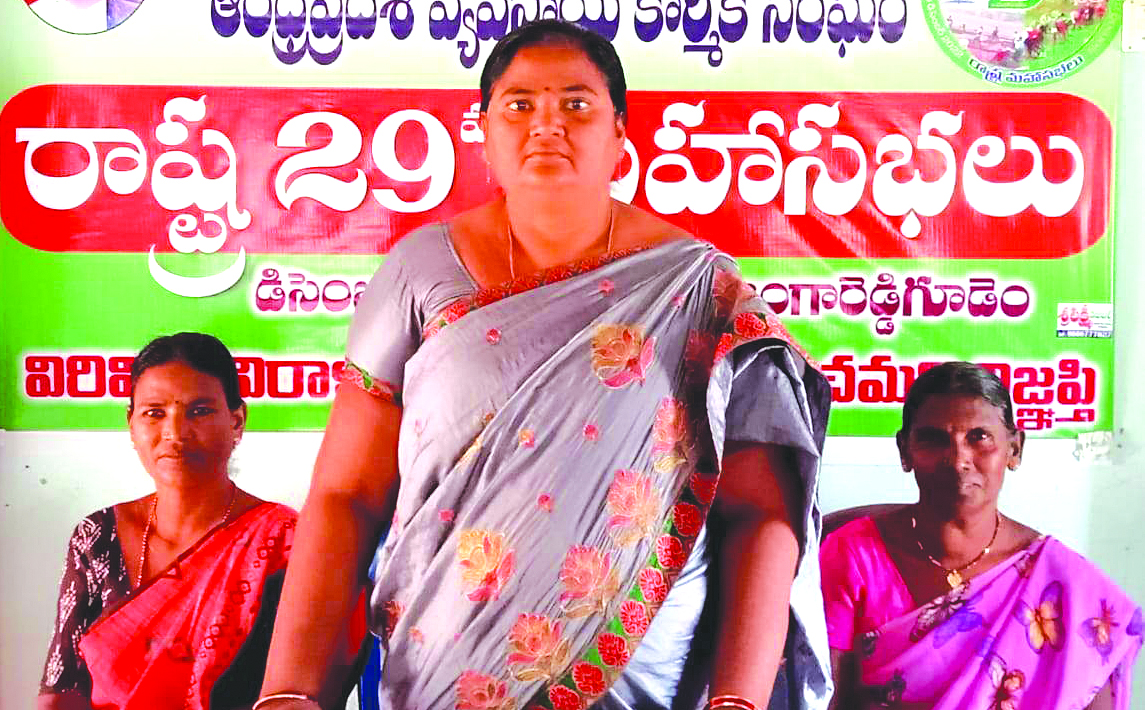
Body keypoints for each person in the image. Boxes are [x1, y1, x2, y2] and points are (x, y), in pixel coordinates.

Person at [257, 19, 832, 710]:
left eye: (576, 104)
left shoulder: (702, 290)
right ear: (484, 132)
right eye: (520, 104)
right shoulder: (419, 270)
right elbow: (345, 496)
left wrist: (738, 699)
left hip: (645, 686)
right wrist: (288, 690)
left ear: (619, 134)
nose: (546, 125)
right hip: (440, 679)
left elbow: (759, 516)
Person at [820, 361, 1143, 710]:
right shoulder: (852, 556)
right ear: (904, 450)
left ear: (1015, 449)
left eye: (979, 437)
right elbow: (821, 696)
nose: (958, 459)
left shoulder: (1064, 583)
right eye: (934, 439)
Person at [37, 332, 298, 710]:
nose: (175, 433)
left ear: (237, 421)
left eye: (200, 411)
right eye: (154, 413)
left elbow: (300, 689)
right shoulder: (97, 537)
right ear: (131, 424)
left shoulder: (284, 541)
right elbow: (62, 691)